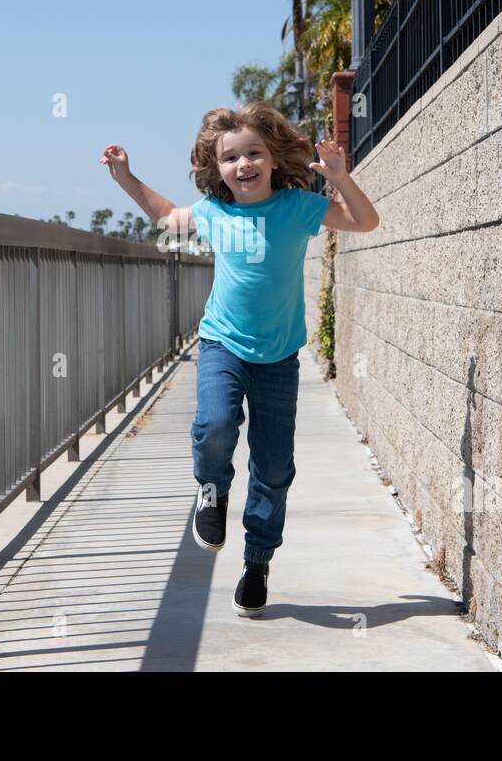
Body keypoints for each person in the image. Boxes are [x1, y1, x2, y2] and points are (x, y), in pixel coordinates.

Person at [100, 101, 380, 616]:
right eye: (231, 158)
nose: (244, 164)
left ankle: (257, 562)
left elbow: (366, 221)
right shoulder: (214, 212)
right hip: (222, 344)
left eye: (254, 153)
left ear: (273, 158)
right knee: (214, 424)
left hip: (278, 357)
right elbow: (166, 215)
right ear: (217, 168)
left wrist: (341, 178)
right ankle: (212, 489)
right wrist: (125, 176)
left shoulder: (299, 207)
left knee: (274, 468)